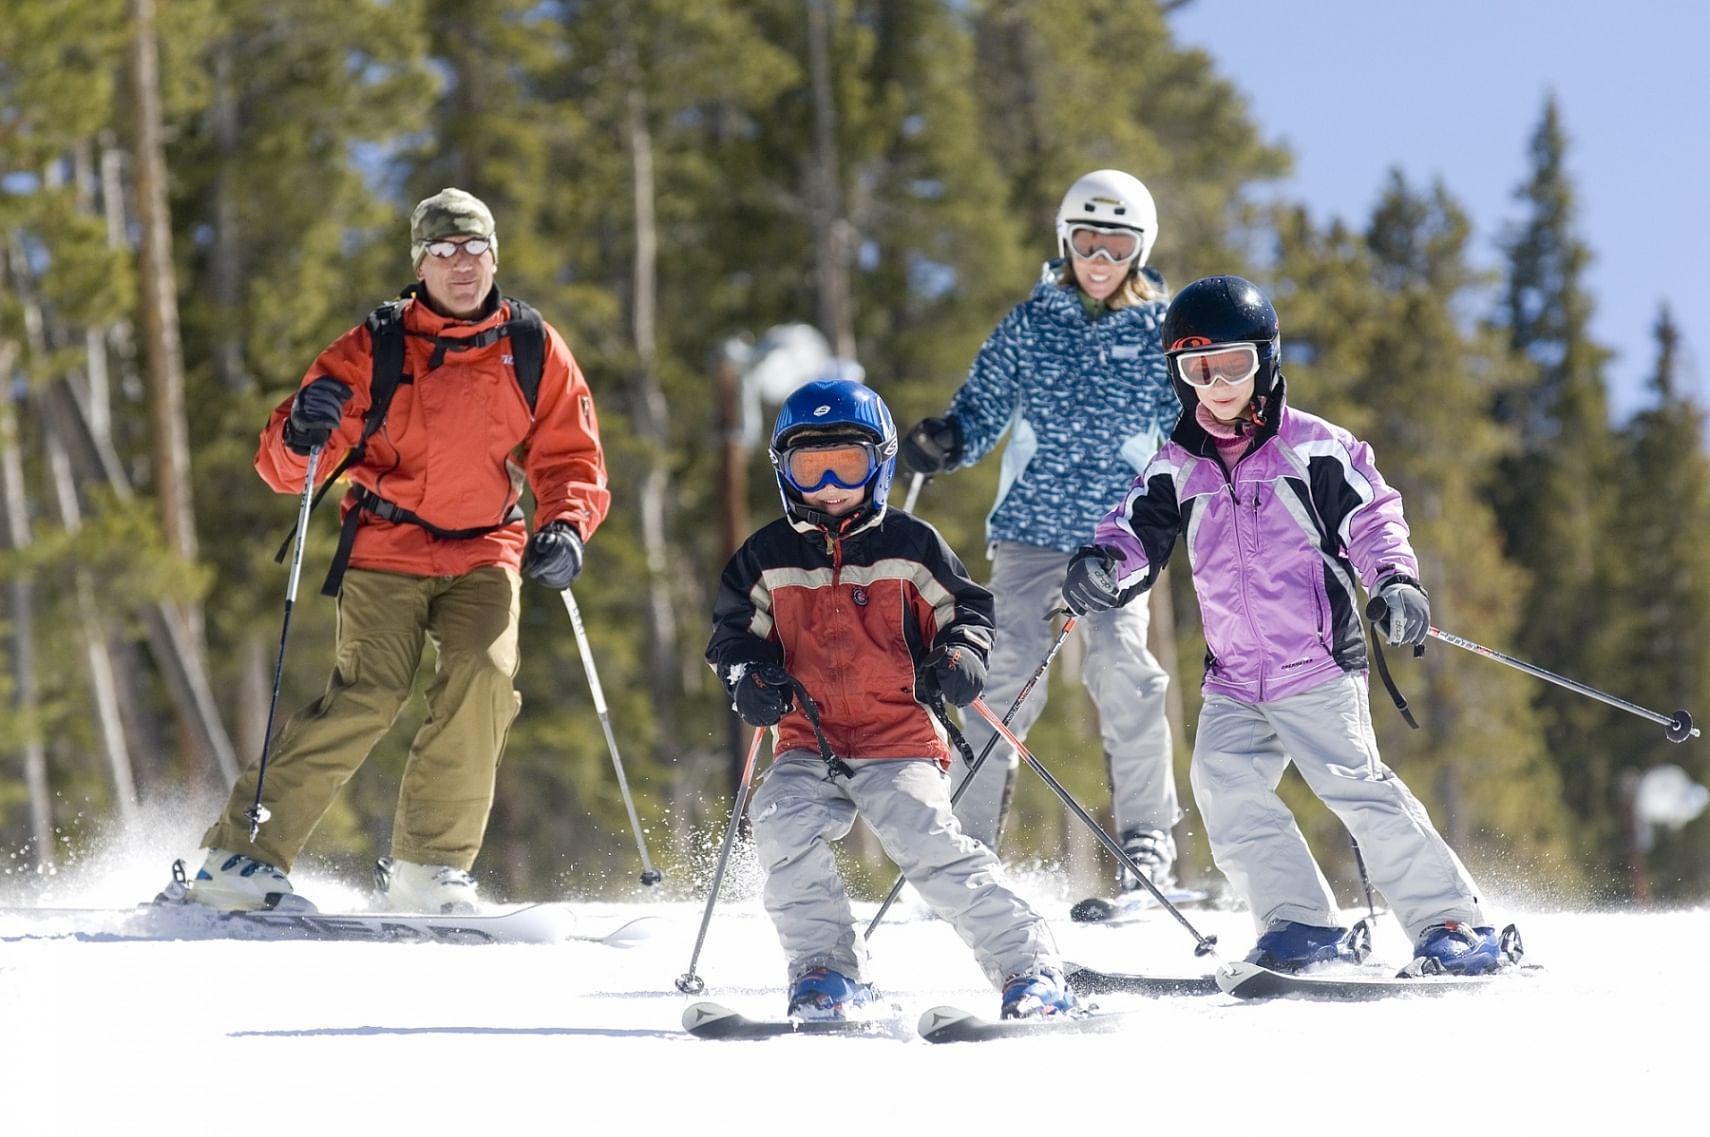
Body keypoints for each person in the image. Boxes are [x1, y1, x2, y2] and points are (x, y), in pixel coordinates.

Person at [172, 187, 610, 915]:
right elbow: (284, 468)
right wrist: (302, 429)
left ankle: (430, 868)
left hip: (486, 546)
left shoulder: (532, 346)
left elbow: (571, 456)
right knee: (369, 693)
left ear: (494, 255)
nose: (461, 264)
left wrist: (565, 525)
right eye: (443, 251)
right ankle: (238, 858)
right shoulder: (374, 344)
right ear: (420, 264)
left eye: (474, 249)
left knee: (486, 678)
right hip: (387, 543)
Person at [1061, 274, 1513, 975]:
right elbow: (1134, 536)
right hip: (1235, 676)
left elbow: (1372, 515)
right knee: (1221, 782)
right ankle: (1300, 921)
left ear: (1266, 361)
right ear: (1179, 375)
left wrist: (1394, 580)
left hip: (1317, 663)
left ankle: (1450, 920)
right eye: (1197, 369)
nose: (1217, 384)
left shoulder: (1314, 447)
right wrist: (1101, 567)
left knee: (1356, 787)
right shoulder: (1177, 463)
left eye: (1233, 364)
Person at [708, 378, 1075, 1020]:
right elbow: (735, 634)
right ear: (783, 470)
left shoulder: (911, 545)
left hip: (899, 737)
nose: (827, 481)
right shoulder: (765, 556)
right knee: (779, 822)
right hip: (808, 740)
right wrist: (749, 677)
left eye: (845, 462)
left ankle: (1029, 968)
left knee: (927, 844)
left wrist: (960, 658)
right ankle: (826, 969)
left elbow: (966, 612)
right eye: (808, 464)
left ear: (878, 463)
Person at [899, 169, 1182, 894]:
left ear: (1139, 250)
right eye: (1086, 239)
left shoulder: (1160, 331)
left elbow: (1191, 430)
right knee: (1001, 677)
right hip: (1029, 531)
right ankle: (965, 843)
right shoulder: (1033, 323)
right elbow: (983, 406)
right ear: (1066, 239)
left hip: (1117, 538)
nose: (1098, 257)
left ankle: (1147, 837)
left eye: (1116, 244)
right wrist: (948, 438)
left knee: (1126, 670)